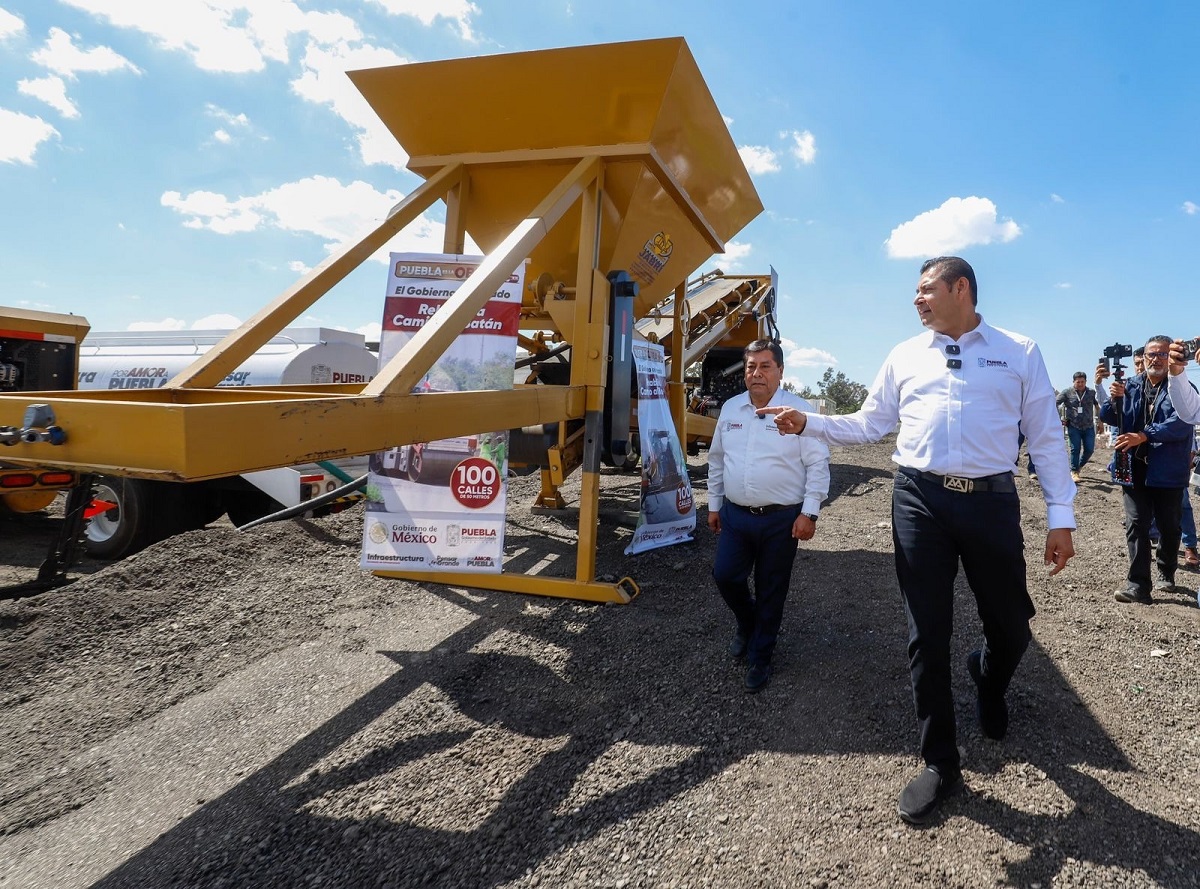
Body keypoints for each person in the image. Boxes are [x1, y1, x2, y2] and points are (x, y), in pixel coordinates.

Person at [759, 257, 1075, 825]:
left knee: (1011, 626)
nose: (917, 299)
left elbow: (1048, 438)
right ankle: (939, 761)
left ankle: (990, 678)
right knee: (926, 631)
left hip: (991, 500)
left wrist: (1061, 515)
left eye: (926, 289)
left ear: (961, 289)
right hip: (919, 500)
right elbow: (869, 423)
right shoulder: (905, 355)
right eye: (916, 291)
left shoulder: (1019, 351)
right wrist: (811, 423)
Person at [707, 339, 830, 694]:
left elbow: (818, 465)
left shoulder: (798, 411)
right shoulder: (731, 409)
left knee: (771, 590)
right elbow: (717, 460)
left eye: (765, 366)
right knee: (726, 577)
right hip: (736, 516)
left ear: (780, 372)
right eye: (750, 366)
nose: (756, 373)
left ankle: (761, 656)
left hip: (781, 521)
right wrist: (714, 505)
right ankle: (747, 625)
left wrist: (810, 512)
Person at [1098, 336, 1194, 604]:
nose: (1156, 359)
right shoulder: (1130, 385)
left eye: (1162, 354)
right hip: (1134, 469)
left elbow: (1182, 423)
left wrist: (1145, 435)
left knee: (1169, 527)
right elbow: (1108, 416)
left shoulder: (1182, 388)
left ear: (1171, 358)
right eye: (1152, 354)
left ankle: (1166, 570)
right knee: (1137, 524)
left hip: (1167, 472)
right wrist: (1111, 397)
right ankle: (1138, 585)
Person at [1056, 371, 1098, 482]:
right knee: (1075, 449)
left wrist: (1101, 422)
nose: (1080, 384)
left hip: (1088, 426)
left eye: (1082, 382)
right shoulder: (1067, 393)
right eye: (1078, 382)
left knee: (1089, 450)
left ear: (1086, 382)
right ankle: (1074, 472)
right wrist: (1057, 418)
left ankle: (1077, 466)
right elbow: (1055, 403)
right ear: (1073, 382)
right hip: (1073, 425)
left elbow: (1097, 406)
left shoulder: (1091, 392)